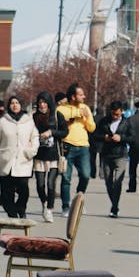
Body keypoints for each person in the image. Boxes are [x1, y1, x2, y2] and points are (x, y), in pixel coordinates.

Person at [0, 95, 40, 219]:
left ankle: (21, 208)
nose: (15, 105)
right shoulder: (3, 121)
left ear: (21, 105)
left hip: (23, 160)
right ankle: (11, 213)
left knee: (24, 190)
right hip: (6, 160)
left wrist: (31, 151)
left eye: (17, 102)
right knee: (7, 192)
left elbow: (35, 137)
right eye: (12, 103)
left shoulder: (28, 121)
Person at [59, 83, 96, 214]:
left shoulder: (85, 107)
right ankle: (65, 206)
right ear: (73, 96)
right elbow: (62, 120)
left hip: (83, 146)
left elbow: (92, 127)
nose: (84, 96)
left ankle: (78, 200)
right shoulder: (62, 108)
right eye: (81, 94)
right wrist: (77, 113)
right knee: (66, 177)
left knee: (86, 175)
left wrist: (86, 116)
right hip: (67, 146)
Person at [32, 91, 67, 222]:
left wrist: (51, 132)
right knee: (40, 185)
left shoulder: (57, 115)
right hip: (39, 155)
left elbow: (65, 132)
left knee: (50, 184)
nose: (42, 105)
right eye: (40, 102)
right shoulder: (33, 117)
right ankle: (44, 203)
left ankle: (50, 209)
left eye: (44, 102)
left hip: (54, 154)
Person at [95, 100, 130, 217]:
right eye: (114, 114)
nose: (115, 116)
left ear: (121, 112)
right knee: (108, 182)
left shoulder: (126, 122)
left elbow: (132, 137)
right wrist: (104, 137)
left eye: (118, 114)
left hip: (121, 155)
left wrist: (121, 138)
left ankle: (114, 207)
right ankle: (115, 205)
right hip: (107, 155)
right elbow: (95, 136)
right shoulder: (104, 121)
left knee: (118, 181)